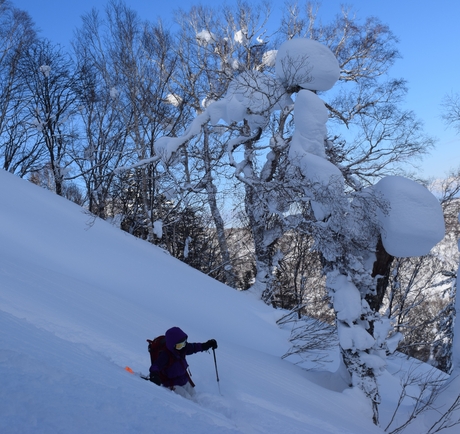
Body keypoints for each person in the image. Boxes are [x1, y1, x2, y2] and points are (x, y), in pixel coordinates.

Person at [149, 326, 217, 398]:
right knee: (189, 400)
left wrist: (206, 345)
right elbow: (156, 365)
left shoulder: (183, 349)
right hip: (172, 384)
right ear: (172, 345)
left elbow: (194, 347)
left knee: (195, 396)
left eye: (184, 343)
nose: (182, 347)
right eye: (179, 346)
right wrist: (154, 375)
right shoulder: (166, 355)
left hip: (183, 379)